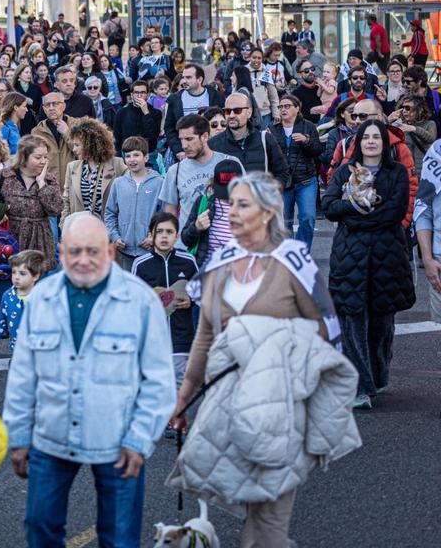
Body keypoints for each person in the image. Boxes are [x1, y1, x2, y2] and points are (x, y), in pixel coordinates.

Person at [170, 173, 349, 548]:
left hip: (280, 405)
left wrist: (313, 395)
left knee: (267, 524)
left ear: (268, 213)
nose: (231, 212)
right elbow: (205, 336)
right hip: (228, 403)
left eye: (242, 205)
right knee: (246, 504)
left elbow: (327, 330)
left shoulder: (293, 260)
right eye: (230, 204)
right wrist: (184, 397)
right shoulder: (221, 260)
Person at [3, 215, 175, 548]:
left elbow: (158, 380)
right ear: (61, 253)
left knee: (120, 538)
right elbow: (23, 375)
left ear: (110, 252)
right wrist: (19, 436)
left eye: (93, 251)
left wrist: (140, 439)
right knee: (39, 527)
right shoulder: (41, 299)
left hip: (118, 439)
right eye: (75, 251)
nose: (84, 260)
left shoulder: (140, 302)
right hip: (51, 437)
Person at [322, 119, 413, 409]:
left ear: (384, 143)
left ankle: (378, 373)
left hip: (387, 256)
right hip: (350, 257)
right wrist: (354, 208)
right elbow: (331, 207)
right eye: (366, 137)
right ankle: (359, 385)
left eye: (377, 137)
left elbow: (395, 211)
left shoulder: (396, 172)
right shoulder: (343, 172)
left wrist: (357, 219)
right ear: (358, 142)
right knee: (352, 320)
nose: (371, 142)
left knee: (381, 323)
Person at [129, 212, 198, 391]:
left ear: (177, 236)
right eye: (159, 232)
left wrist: (191, 300)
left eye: (169, 232)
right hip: (153, 342)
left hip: (181, 339)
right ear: (151, 235)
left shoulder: (188, 262)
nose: (164, 236)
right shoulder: (140, 264)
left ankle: (179, 419)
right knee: (156, 388)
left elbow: (202, 294)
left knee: (181, 388)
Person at [0, 134, 63, 270]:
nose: (43, 161)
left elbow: (56, 209)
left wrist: (41, 184)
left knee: (38, 284)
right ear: (24, 158)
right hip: (9, 239)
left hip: (39, 241)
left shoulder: (49, 180)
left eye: (45, 157)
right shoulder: (5, 176)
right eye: (38, 157)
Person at [162, 115, 228, 236]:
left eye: (189, 139)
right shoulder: (175, 171)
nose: (184, 145)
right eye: (181, 139)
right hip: (186, 246)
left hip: (220, 244)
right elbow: (170, 213)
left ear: (205, 137)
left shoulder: (228, 164)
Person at [104, 136, 163, 269]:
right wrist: (114, 236)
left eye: (136, 155)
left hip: (150, 250)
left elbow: (164, 214)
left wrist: (154, 236)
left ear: (146, 157)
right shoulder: (118, 184)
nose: (132, 160)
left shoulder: (159, 183)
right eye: (128, 156)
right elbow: (110, 213)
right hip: (124, 250)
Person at [209, 92, 290, 188]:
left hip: (261, 201)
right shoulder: (214, 144)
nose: (231, 115)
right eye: (227, 111)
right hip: (230, 201)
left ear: (249, 112)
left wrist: (271, 192)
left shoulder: (265, 139)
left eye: (237, 110)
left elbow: (282, 172)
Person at [275, 94, 323, 247]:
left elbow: (317, 151)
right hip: (283, 183)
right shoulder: (273, 128)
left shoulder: (308, 126)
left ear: (297, 108)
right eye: (281, 106)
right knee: (284, 222)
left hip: (306, 180)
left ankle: (302, 252)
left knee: (307, 218)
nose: (283, 109)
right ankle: (288, 253)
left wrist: (306, 141)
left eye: (287, 106)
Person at [61, 118, 126, 222]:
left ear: (90, 144)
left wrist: (116, 234)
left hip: (107, 232)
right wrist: (64, 226)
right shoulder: (72, 167)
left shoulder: (117, 164)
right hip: (79, 231)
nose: (74, 149)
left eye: (77, 145)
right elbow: (66, 202)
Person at [0, 249, 44, 356]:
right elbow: (0, 323)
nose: (16, 277)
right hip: (16, 354)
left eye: (22, 273)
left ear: (35, 276)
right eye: (14, 272)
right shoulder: (8, 296)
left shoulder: (43, 297)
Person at [164, 65, 224, 158]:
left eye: (188, 77)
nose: (184, 81)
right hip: (186, 152)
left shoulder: (215, 95)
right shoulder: (175, 99)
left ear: (199, 80)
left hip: (213, 150)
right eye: (183, 77)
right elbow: (169, 128)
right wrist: (178, 150)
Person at [113, 79, 163, 156]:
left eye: (142, 92)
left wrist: (146, 112)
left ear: (148, 95)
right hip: (127, 154)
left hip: (148, 154)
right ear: (132, 95)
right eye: (136, 92)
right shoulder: (122, 113)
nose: (139, 95)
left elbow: (153, 135)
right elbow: (117, 137)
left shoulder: (156, 113)